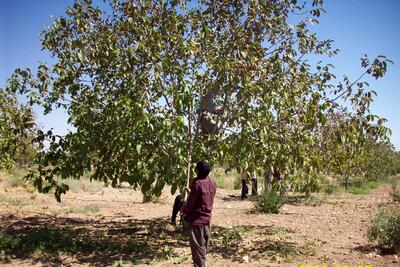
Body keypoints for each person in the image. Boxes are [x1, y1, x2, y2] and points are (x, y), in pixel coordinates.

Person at [181, 160, 217, 267]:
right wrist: (192, 193)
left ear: (198, 171)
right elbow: (205, 199)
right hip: (207, 221)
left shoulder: (197, 183)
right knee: (202, 250)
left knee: (198, 253)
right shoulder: (212, 183)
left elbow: (191, 205)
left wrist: (183, 210)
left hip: (197, 222)